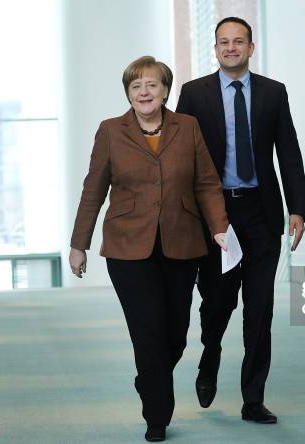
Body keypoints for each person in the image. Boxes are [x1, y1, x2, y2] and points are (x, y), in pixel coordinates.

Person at [69, 56, 229, 443]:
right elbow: (94, 190)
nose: (144, 92)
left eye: (152, 85)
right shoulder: (110, 131)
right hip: (128, 247)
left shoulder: (187, 127)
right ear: (128, 92)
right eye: (136, 86)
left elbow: (207, 182)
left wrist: (220, 227)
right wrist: (79, 244)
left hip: (182, 241)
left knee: (176, 333)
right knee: (148, 331)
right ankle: (157, 416)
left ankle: (149, 379)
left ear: (165, 90)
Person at [176, 17, 305, 424]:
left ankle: (253, 398)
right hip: (216, 217)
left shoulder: (273, 92)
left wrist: (298, 208)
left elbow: (288, 151)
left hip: (261, 214)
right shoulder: (194, 94)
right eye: (223, 42)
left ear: (251, 47)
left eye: (238, 42)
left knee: (260, 308)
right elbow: (181, 156)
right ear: (215, 49)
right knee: (217, 304)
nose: (230, 48)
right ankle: (210, 356)